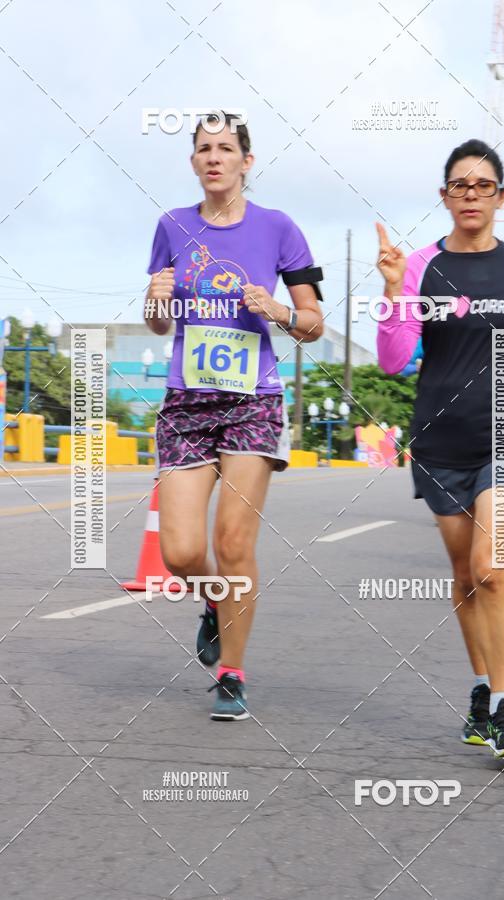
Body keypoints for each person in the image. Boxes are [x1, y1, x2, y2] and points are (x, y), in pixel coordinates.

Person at [375, 138, 504, 757]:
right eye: (460, 186)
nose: (472, 196)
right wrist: (392, 291)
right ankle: (478, 687)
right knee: (465, 578)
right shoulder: (418, 265)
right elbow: (392, 362)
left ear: (500, 196)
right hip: (441, 440)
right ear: (445, 197)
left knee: (493, 571)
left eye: (483, 186)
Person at [144, 112, 324, 719]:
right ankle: (216, 605)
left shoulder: (278, 228)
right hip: (187, 401)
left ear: (248, 161)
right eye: (203, 149)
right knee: (181, 551)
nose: (214, 158)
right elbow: (158, 320)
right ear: (193, 162)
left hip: (254, 399)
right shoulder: (171, 226)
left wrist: (277, 308)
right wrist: (155, 302)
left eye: (226, 148)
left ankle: (232, 673)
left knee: (233, 541)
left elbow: (313, 323)